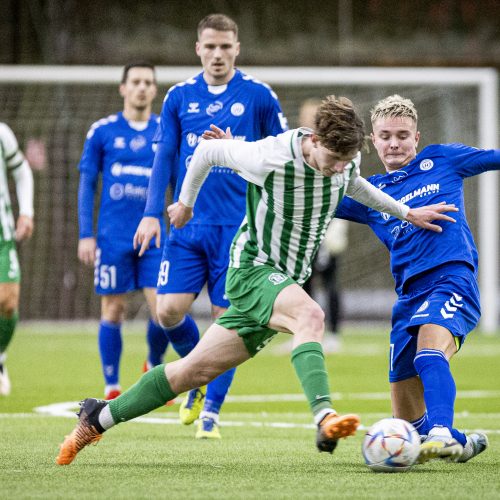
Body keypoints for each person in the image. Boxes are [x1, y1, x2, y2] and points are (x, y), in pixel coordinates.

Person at [56, 95, 458, 465]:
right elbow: (208, 151)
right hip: (254, 269)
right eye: (333, 157)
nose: (339, 166)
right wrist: (185, 202)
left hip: (282, 279)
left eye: (346, 159)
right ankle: (324, 416)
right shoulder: (271, 155)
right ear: (315, 139)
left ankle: (97, 417)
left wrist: (406, 213)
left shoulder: (345, 158)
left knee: (191, 372)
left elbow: (354, 184)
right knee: (311, 317)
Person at [133, 14, 288, 439]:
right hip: (186, 224)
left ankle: (211, 416)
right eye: (210, 46)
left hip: (239, 231)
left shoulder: (258, 96)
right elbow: (164, 157)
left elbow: (284, 151)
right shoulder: (179, 96)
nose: (217, 54)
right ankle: (195, 378)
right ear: (197, 48)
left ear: (236, 48)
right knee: (166, 311)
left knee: (226, 321)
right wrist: (151, 210)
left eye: (225, 47)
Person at [335, 94, 498, 463]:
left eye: (403, 135)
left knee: (430, 349)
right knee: (409, 421)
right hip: (408, 296)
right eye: (386, 135)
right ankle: (459, 441)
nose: (395, 143)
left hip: (451, 279)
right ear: (373, 141)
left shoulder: (443, 158)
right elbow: (313, 193)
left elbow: (493, 157)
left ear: (417, 137)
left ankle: (443, 430)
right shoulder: (369, 192)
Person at [77, 62, 169, 401]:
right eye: (136, 82)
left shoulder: (164, 131)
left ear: (155, 89)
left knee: (163, 310)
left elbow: (179, 180)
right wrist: (86, 234)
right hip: (113, 238)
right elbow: (87, 183)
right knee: (113, 310)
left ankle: (154, 364)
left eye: (148, 82)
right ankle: (112, 386)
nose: (142, 87)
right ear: (123, 88)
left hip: (155, 237)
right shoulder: (102, 131)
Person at [299, 98, 348, 353]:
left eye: (312, 116)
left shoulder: (334, 149)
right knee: (303, 282)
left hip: (327, 227)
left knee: (329, 280)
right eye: (304, 116)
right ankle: (306, 332)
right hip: (303, 229)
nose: (307, 121)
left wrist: (336, 227)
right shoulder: (298, 149)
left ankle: (334, 333)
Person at [0, 122, 34, 396]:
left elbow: (22, 172)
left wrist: (26, 211)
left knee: (7, 301)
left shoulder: (2, 133)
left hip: (2, 234)